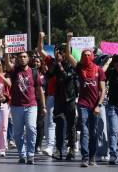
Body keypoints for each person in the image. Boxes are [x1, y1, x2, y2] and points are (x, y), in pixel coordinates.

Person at [65, 32, 106, 167]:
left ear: (92, 56)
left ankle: (92, 156)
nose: (87, 57)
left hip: (95, 105)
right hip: (82, 104)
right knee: (84, 130)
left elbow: (103, 89)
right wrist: (68, 41)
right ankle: (85, 157)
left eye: (89, 55)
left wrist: (99, 105)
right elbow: (68, 56)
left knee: (94, 132)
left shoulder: (98, 70)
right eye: (84, 55)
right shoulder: (79, 68)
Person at [37, 32, 78, 160]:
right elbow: (40, 51)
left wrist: (68, 41)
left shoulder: (71, 64)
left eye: (60, 52)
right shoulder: (53, 63)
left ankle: (71, 148)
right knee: (59, 124)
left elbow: (67, 75)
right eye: (55, 51)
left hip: (70, 99)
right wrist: (41, 38)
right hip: (58, 98)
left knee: (71, 125)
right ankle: (59, 149)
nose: (57, 54)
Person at [5, 51, 46, 164]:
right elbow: (8, 65)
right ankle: (22, 154)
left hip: (31, 105)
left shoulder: (34, 72)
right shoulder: (14, 71)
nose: (22, 59)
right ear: (17, 59)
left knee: (31, 129)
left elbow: (39, 90)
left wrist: (43, 106)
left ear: (28, 59)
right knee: (18, 132)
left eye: (24, 57)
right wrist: (6, 51)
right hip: (16, 106)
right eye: (20, 57)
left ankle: (30, 154)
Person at [0, 58, 11, 157]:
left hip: (4, 103)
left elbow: (10, 84)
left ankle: (2, 148)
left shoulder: (6, 75)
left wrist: (1, 76)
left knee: (4, 127)